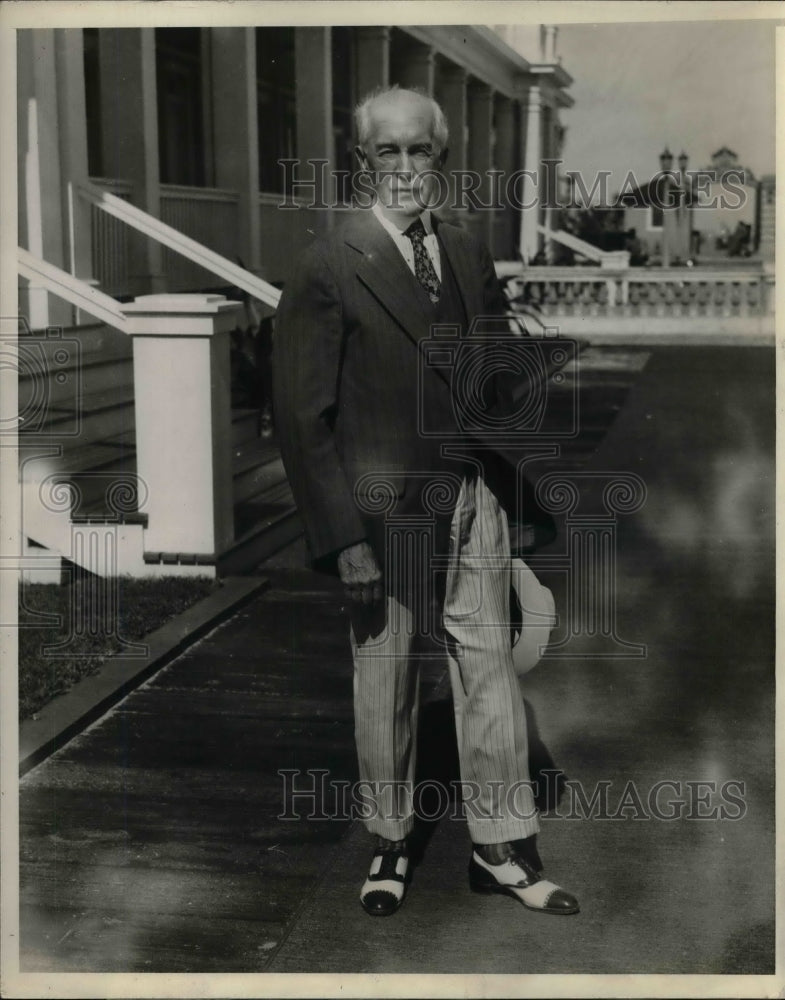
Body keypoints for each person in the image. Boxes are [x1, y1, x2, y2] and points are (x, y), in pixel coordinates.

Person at [272, 86, 578, 918]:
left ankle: (499, 849)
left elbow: (492, 379)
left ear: (440, 159)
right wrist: (343, 541)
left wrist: (519, 425)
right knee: (388, 678)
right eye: (388, 151)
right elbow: (303, 418)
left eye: (420, 151)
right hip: (383, 514)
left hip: (473, 496)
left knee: (489, 668)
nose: (405, 166)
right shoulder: (330, 262)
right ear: (361, 159)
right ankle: (390, 841)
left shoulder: (465, 249)